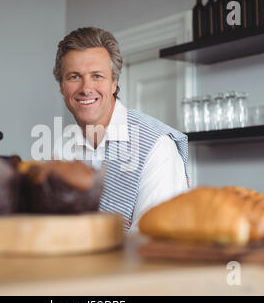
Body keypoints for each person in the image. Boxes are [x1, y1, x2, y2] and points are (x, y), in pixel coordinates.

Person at [52, 27, 189, 232]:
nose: (86, 88)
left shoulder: (158, 147)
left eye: (97, 76)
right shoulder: (61, 146)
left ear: (114, 83)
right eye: (74, 77)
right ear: (62, 87)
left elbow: (154, 239)